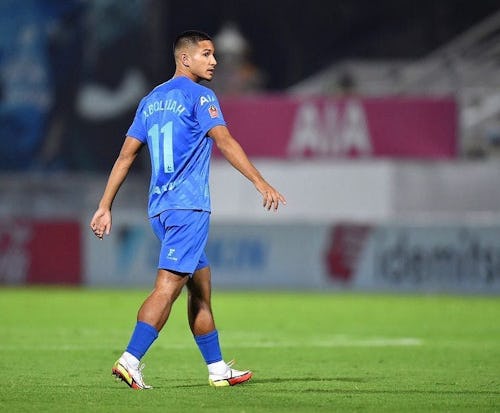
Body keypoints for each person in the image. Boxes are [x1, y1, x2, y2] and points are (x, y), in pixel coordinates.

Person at [89, 30, 286, 390]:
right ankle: (130, 360)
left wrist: (105, 206)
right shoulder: (201, 96)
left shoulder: (150, 100)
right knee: (167, 288)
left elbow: (125, 156)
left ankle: (217, 370)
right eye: (207, 54)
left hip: (160, 209)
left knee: (201, 287)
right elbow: (224, 140)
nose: (214, 61)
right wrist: (260, 182)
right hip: (188, 206)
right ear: (185, 58)